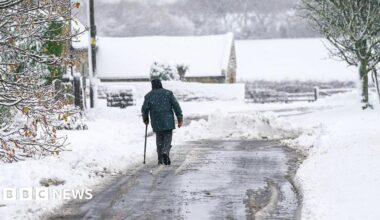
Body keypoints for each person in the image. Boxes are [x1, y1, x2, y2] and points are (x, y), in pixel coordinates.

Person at [142, 79, 183, 165]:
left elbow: (144, 109)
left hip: (156, 121)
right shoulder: (168, 93)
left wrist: (145, 119)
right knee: (167, 138)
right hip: (168, 120)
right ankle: (165, 152)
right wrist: (179, 118)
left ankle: (160, 158)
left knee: (159, 139)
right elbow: (176, 106)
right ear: (160, 84)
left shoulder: (149, 96)